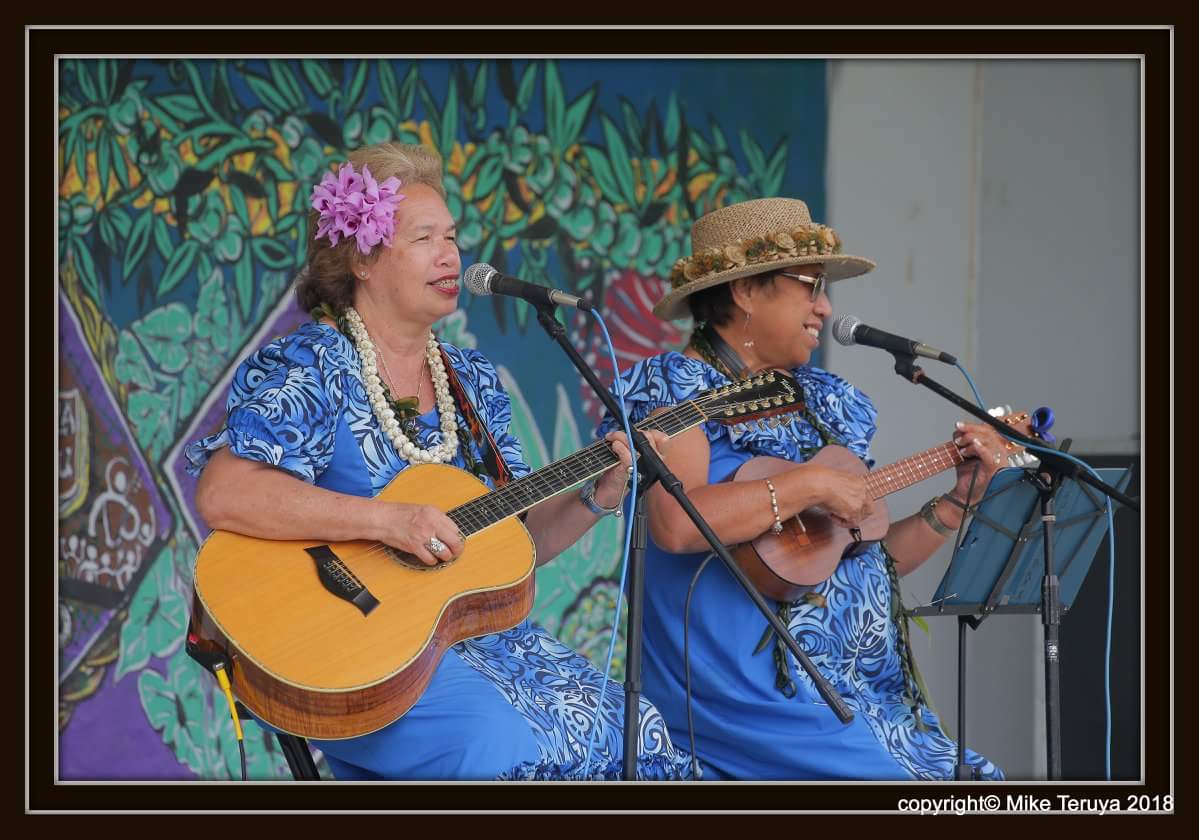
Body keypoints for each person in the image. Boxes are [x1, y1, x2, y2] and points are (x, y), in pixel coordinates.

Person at [185, 142, 693, 781]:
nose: (450, 254)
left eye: (451, 236)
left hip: (485, 647)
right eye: (424, 238)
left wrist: (601, 494)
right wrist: (387, 521)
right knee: (499, 744)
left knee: (636, 732)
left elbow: (515, 544)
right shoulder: (314, 364)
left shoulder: (471, 382)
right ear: (363, 259)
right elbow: (225, 493)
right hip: (368, 657)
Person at [597, 197, 1008, 780]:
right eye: (810, 285)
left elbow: (856, 559)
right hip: (745, 698)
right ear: (745, 291)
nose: (825, 306)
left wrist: (960, 499)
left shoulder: (826, 402)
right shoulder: (675, 387)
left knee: (976, 783)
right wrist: (808, 483)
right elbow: (676, 524)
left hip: (854, 692)